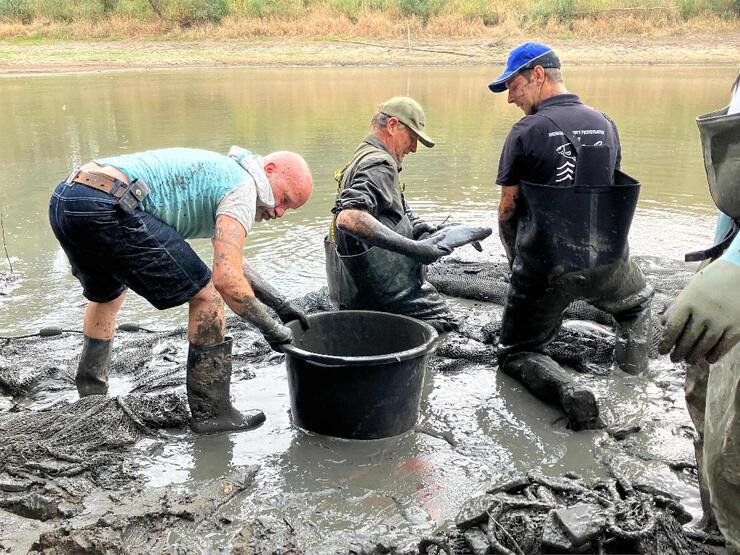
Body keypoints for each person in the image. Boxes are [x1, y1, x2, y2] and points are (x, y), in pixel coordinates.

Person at [49, 146, 313, 434]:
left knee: (109, 295)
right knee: (208, 297)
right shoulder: (244, 188)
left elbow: (233, 260)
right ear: (270, 170)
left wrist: (280, 303)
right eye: (284, 199)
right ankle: (213, 413)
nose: (280, 212)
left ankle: (91, 394)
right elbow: (225, 278)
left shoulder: (226, 172)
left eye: (289, 208)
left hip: (70, 198)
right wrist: (270, 328)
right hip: (109, 205)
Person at [489, 43, 654, 430]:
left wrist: (517, 263)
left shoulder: (525, 132)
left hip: (548, 269)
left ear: (539, 76)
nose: (511, 98)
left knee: (517, 350)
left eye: (514, 86)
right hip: (609, 262)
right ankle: (632, 380)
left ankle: (569, 391)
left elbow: (508, 209)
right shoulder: (606, 122)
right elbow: (604, 192)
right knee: (636, 307)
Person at [658, 72, 740, 551]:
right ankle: (713, 524)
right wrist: (720, 263)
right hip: (722, 271)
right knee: (705, 406)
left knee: (735, 446)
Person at [325, 96, 489, 333]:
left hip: (351, 291)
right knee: (452, 330)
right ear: (392, 126)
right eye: (412, 138)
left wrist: (423, 228)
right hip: (389, 294)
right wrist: (418, 249)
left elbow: (394, 209)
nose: (414, 148)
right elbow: (348, 217)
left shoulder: (364, 155)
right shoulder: (380, 163)